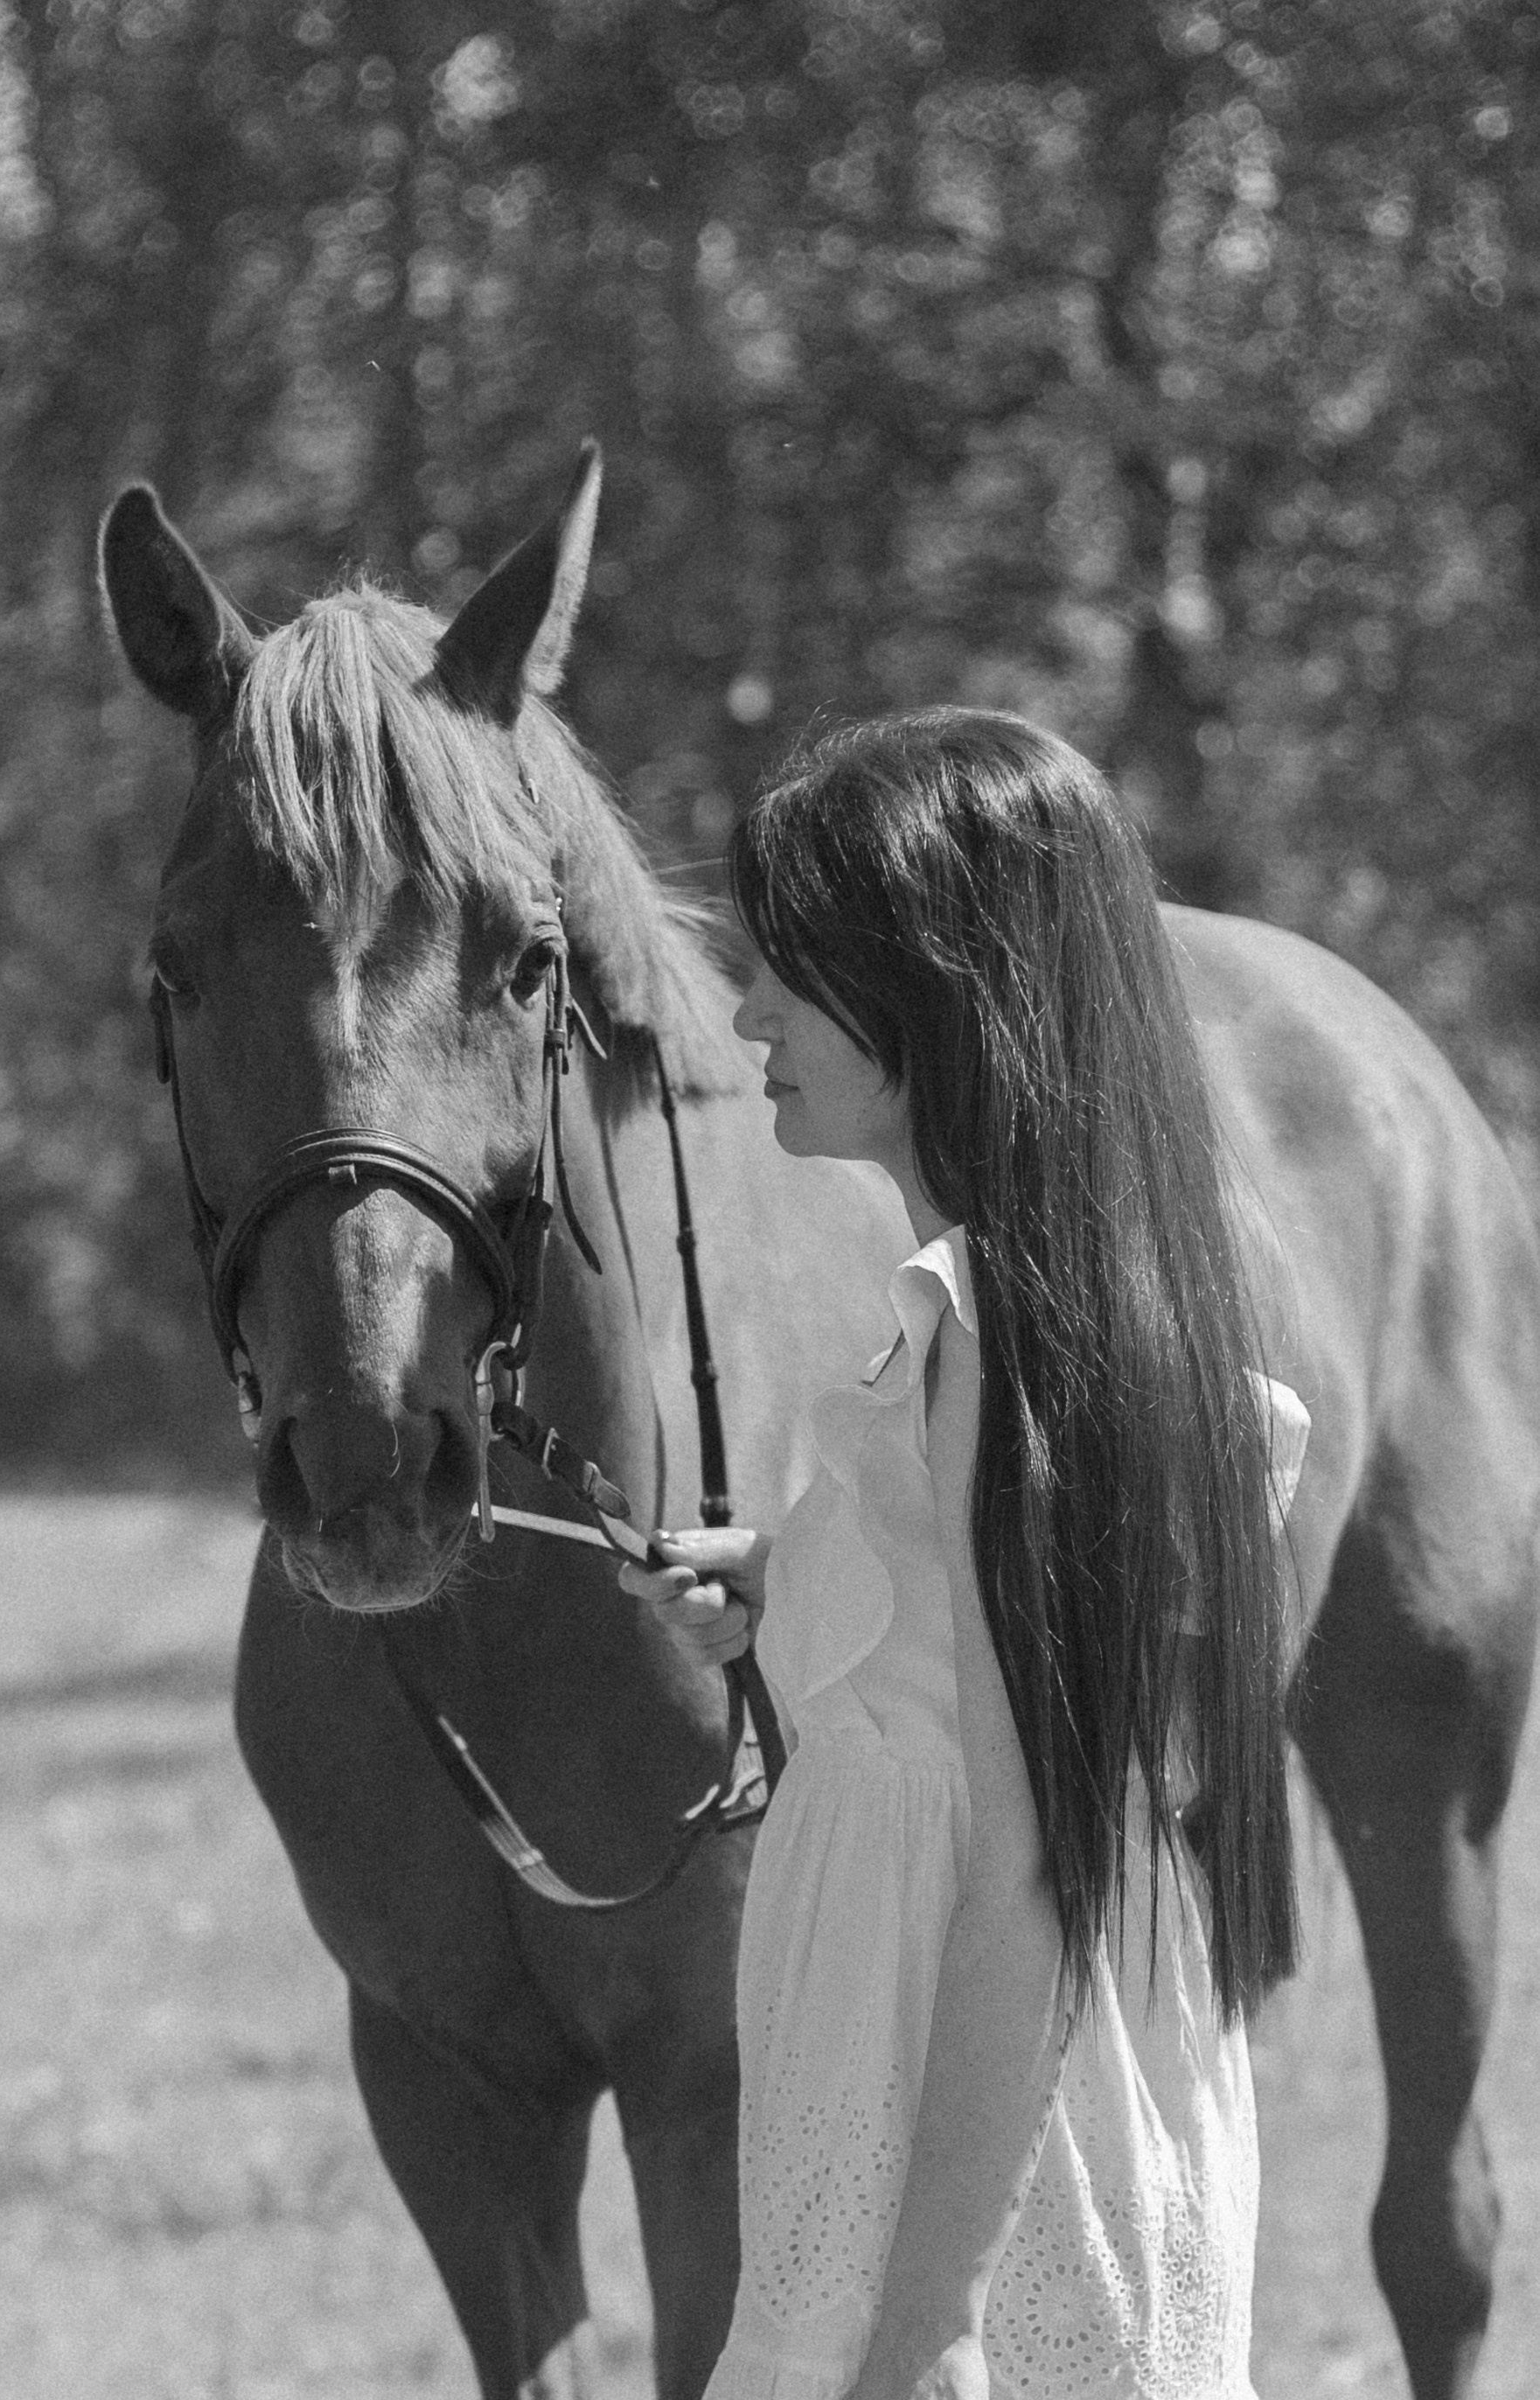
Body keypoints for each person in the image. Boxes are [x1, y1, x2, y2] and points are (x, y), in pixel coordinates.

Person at [621, 708, 1310, 2400]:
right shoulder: (1062, 1312)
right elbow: (1029, 1668)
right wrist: (808, 1590)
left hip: (978, 2179)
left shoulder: (996, 1338)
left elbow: (1030, 1878)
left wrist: (922, 2314)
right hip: (1012, 2125)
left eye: (794, 970)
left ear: (942, 993)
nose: (745, 1013)